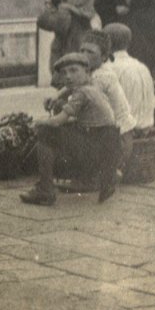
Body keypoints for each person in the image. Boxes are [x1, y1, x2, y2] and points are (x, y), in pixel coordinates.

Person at [21, 53, 121, 206]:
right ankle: (103, 178)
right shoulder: (93, 87)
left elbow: (57, 121)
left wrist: (37, 122)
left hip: (95, 146)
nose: (68, 76)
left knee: (46, 133)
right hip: (109, 144)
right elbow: (68, 89)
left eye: (74, 71)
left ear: (87, 72)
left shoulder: (82, 93)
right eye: (64, 73)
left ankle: (45, 189)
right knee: (68, 124)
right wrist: (56, 98)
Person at [79, 29, 136, 172]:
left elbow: (82, 102)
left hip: (118, 141)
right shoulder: (94, 71)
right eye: (82, 51)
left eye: (90, 52)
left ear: (104, 57)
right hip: (115, 136)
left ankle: (94, 177)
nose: (83, 56)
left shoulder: (101, 76)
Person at [38, 0, 99, 85]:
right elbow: (53, 1)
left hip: (80, 35)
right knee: (58, 65)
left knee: (77, 65)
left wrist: (71, 8)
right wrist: (51, 3)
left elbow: (88, 15)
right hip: (64, 35)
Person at [104, 23, 155, 132]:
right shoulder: (142, 66)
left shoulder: (110, 68)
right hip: (147, 130)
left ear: (107, 43)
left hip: (127, 134)